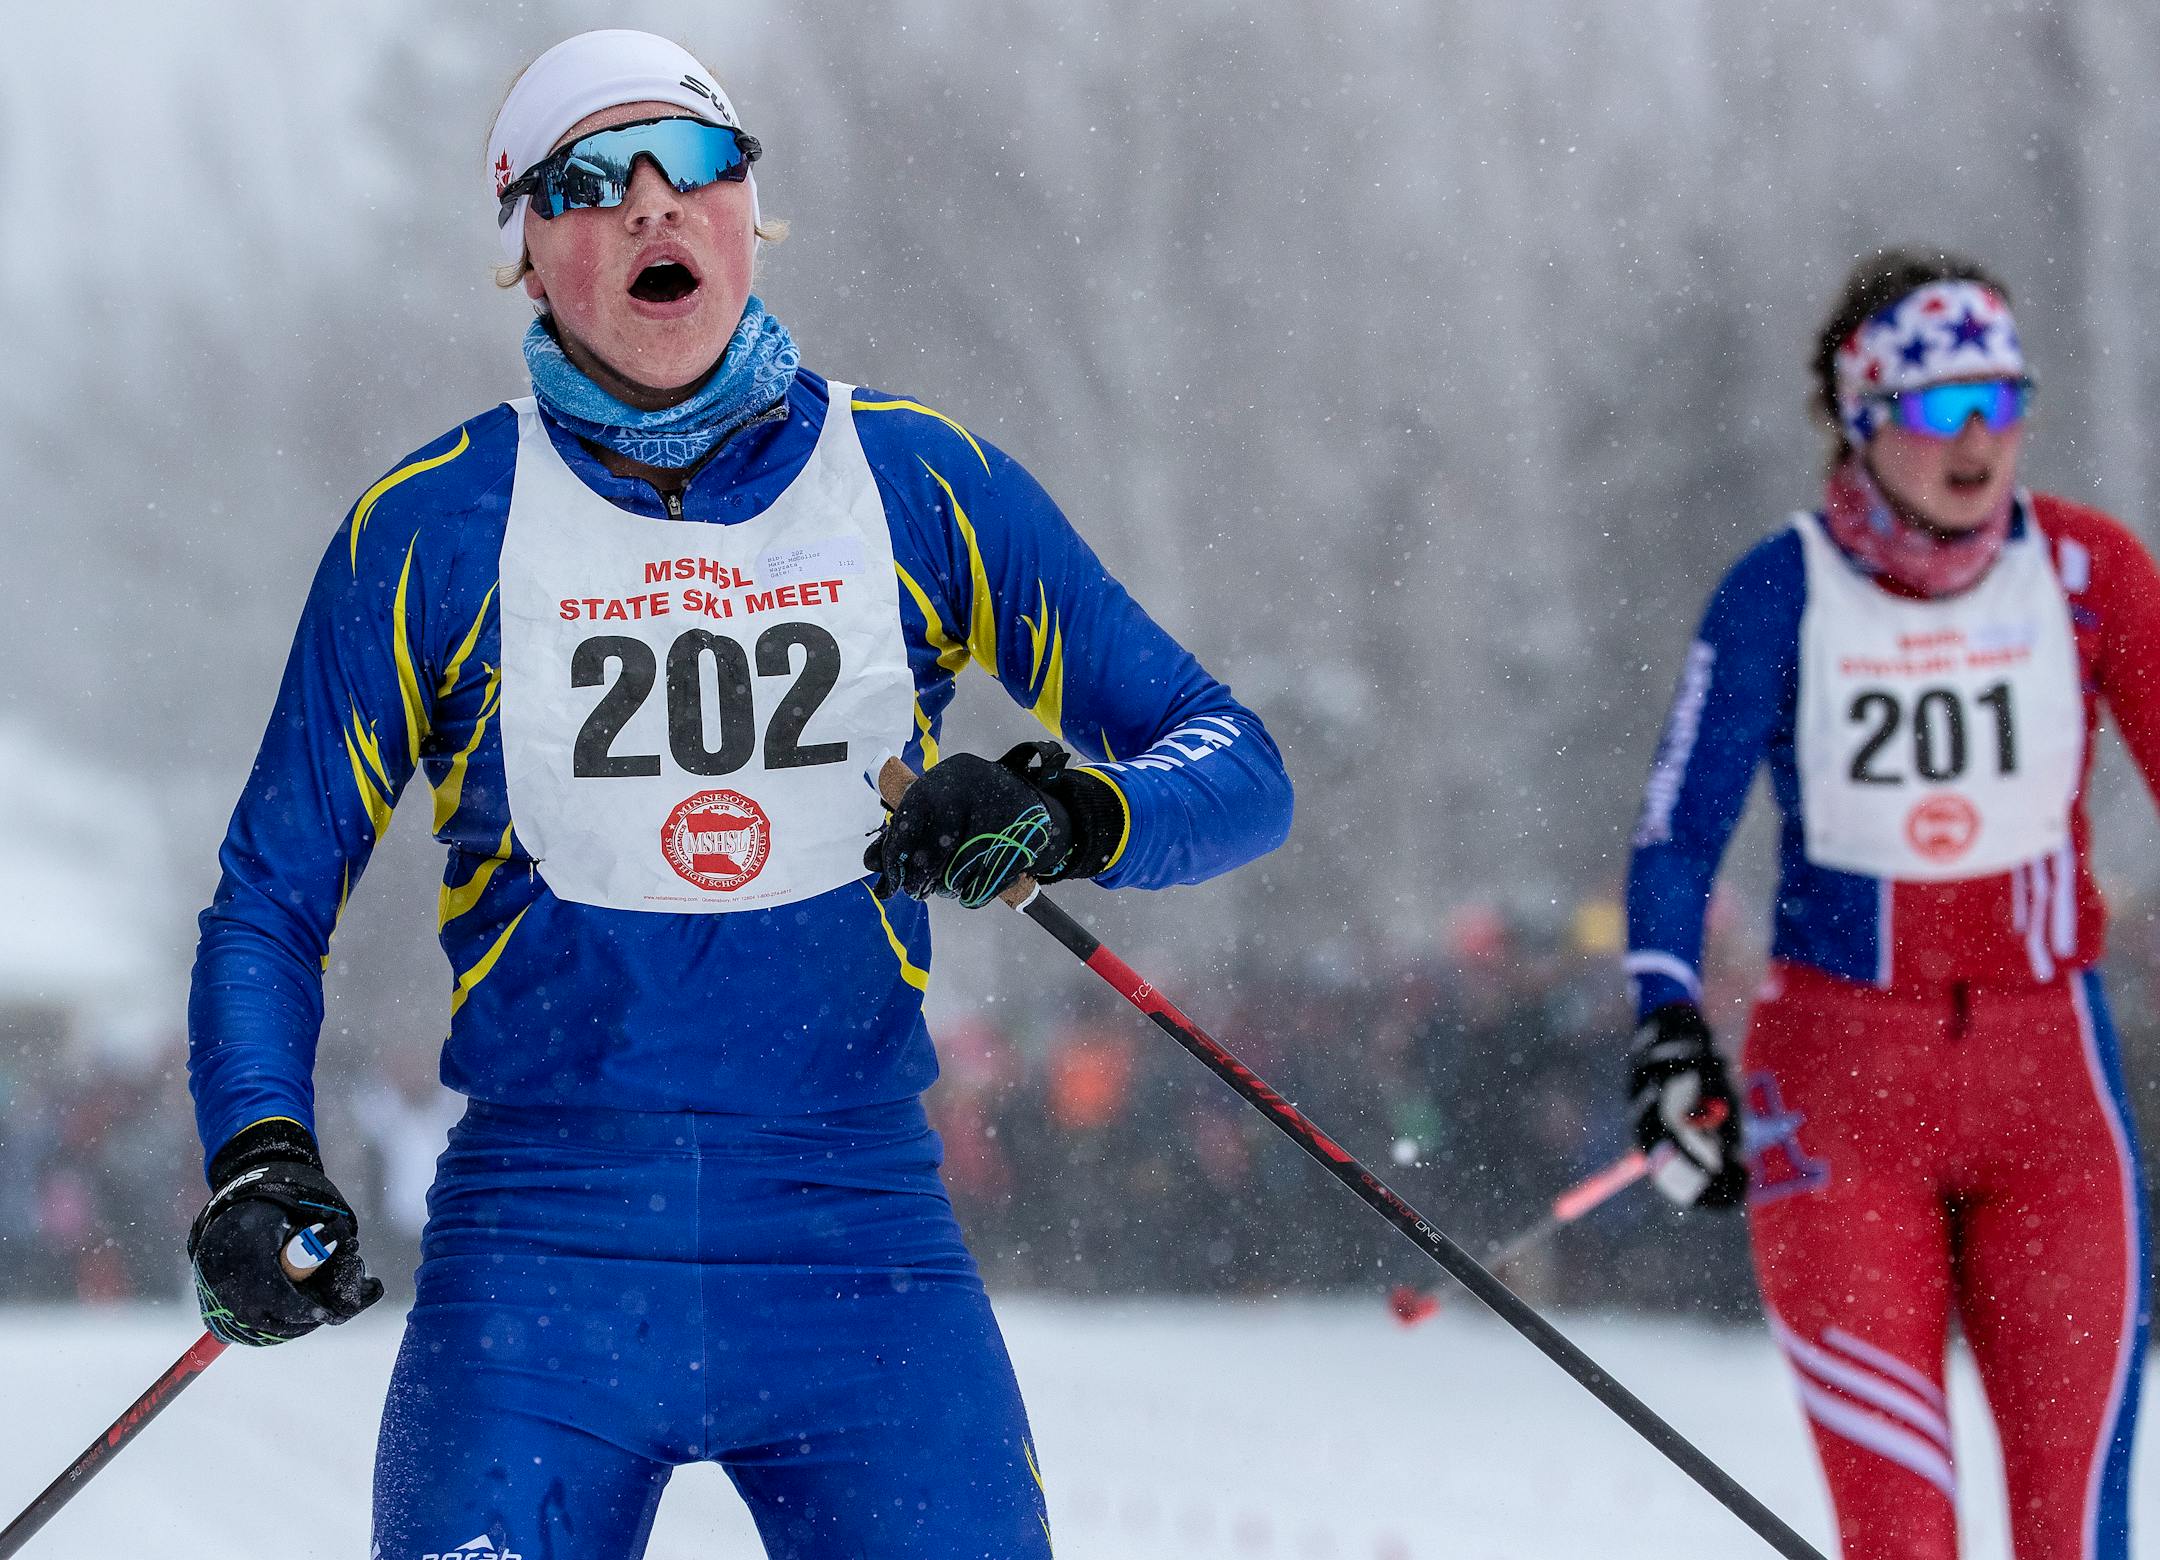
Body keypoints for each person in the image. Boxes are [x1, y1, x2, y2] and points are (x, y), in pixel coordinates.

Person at [181, 30, 1293, 1560]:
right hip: (542, 1264)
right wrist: (258, 1152)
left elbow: (1233, 762)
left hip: (855, 1247)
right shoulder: (433, 529)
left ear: (746, 212)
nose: (652, 206)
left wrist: (1072, 811)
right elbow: (270, 899)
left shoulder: (918, 482)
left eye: (693, 164)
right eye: (588, 180)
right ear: (525, 250)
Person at [1624, 249, 2153, 1560]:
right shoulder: (1780, 590)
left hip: (2054, 1096)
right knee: (1902, 1538)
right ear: (1864, 422)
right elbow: (1678, 836)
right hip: (1844, 1093)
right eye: (1935, 410)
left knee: (2074, 1532)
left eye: (2000, 401)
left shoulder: (2089, 572)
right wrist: (1667, 1022)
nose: (1976, 440)